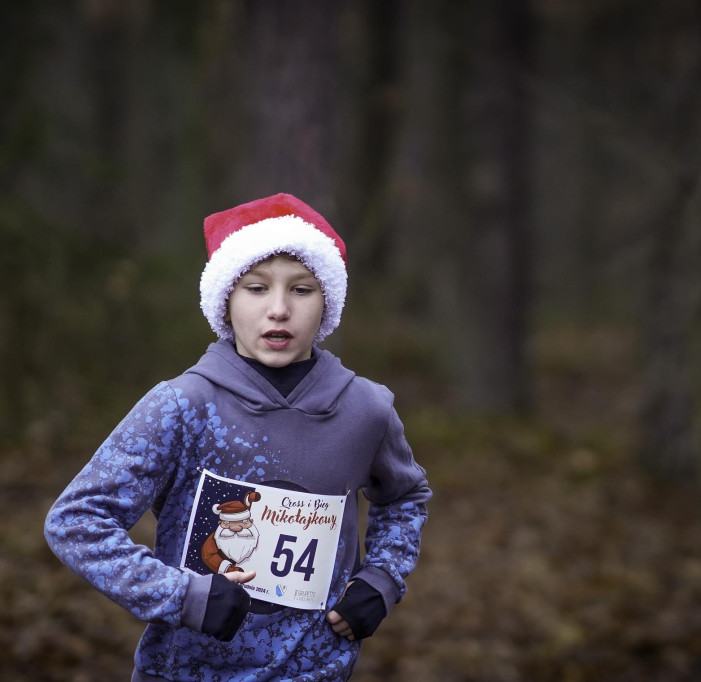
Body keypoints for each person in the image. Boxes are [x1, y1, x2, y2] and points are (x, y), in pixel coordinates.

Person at [44, 193, 431, 681]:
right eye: (255, 287)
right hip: (185, 672)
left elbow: (405, 497)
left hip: (316, 671)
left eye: (302, 290)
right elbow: (76, 521)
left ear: (328, 301)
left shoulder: (366, 410)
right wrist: (181, 596)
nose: (278, 309)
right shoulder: (182, 405)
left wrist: (382, 579)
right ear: (225, 300)